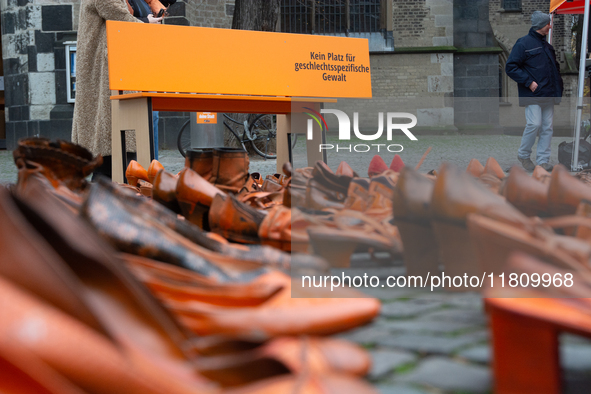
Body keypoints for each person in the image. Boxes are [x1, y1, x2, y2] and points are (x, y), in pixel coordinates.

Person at [71, 0, 162, 181]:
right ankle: (107, 199)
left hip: (115, 69)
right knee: (111, 145)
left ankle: (121, 191)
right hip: (108, 70)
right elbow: (117, 13)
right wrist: (146, 23)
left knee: (115, 144)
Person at [506, 11, 563, 172]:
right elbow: (510, 67)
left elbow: (554, 70)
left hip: (549, 94)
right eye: (548, 24)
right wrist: (529, 82)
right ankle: (523, 155)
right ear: (541, 26)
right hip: (532, 94)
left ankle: (543, 161)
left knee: (547, 128)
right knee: (534, 124)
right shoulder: (523, 43)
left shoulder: (548, 47)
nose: (550, 26)